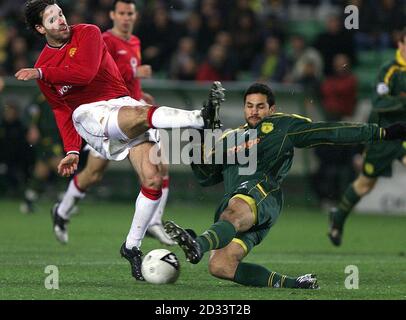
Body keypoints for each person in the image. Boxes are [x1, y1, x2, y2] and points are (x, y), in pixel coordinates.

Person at [16, 0, 223, 281]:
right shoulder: (43, 66)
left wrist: (42, 73)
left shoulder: (87, 32)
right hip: (88, 114)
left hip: (120, 104)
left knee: (152, 178)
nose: (61, 21)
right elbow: (61, 109)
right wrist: (73, 149)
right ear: (41, 28)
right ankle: (200, 118)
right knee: (133, 123)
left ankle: (131, 247)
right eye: (52, 19)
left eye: (61, 14)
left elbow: (85, 72)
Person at [164, 82, 406, 289]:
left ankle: (199, 244)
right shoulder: (230, 138)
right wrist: (201, 132)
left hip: (262, 194)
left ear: (272, 108)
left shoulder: (283, 127)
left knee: (234, 209)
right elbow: (205, 177)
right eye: (250, 106)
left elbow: (328, 132)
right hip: (239, 206)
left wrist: (381, 133)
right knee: (221, 266)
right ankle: (295, 283)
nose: (254, 111)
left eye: (260, 106)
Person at [54, 0, 174, 246]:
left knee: (160, 165)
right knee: (93, 174)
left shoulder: (135, 42)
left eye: (130, 13)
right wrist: (133, 74)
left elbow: (128, 81)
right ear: (112, 15)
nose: (126, 17)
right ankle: (62, 211)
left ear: (135, 15)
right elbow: (95, 73)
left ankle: (154, 222)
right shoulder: (105, 40)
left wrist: (140, 94)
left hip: (132, 114)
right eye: (121, 13)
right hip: (109, 116)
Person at [327, 28, 406, 247]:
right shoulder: (389, 70)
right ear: (399, 45)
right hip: (385, 134)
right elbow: (380, 104)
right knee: (364, 185)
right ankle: (338, 218)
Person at [21, 93, 64, 214]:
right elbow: (31, 111)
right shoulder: (41, 94)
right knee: (62, 166)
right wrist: (32, 127)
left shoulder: (62, 91)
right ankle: (65, 203)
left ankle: (28, 201)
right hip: (46, 138)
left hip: (55, 136)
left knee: (41, 170)